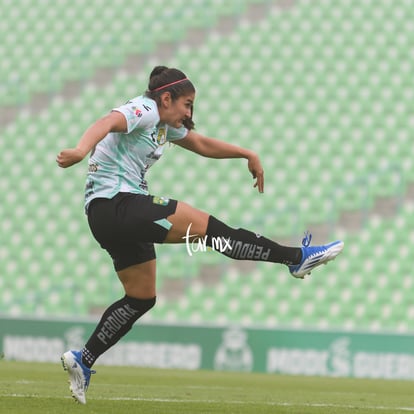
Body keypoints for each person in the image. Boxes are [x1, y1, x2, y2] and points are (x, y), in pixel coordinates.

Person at [56, 65, 344, 404]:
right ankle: (296, 258)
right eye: (187, 104)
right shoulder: (146, 109)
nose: (190, 112)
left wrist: (247, 154)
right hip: (117, 204)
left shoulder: (163, 125)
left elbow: (201, 143)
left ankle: (83, 359)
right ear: (166, 98)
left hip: (106, 215)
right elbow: (106, 122)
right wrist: (79, 150)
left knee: (142, 296)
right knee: (215, 232)